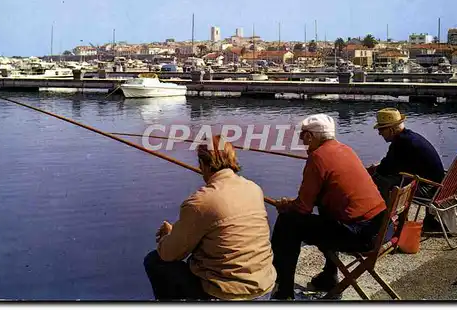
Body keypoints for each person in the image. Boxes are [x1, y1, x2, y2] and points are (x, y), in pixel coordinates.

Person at [144, 135, 276, 301]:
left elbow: (169, 254)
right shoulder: (254, 189)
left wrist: (167, 236)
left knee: (154, 261)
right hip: (263, 288)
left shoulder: (200, 202)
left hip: (228, 295)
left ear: (202, 165)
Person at [270, 114, 387, 300]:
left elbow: (303, 208)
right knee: (323, 210)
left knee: (287, 223)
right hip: (382, 227)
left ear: (310, 136)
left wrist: (286, 205)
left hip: (361, 235)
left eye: (302, 136)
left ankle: (283, 292)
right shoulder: (345, 149)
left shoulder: (317, 157)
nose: (302, 141)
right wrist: (295, 204)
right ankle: (329, 275)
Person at [367, 108, 445, 231]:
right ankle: (426, 221)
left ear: (391, 129)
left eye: (381, 129)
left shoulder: (401, 143)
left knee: (379, 181)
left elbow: (384, 170)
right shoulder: (410, 137)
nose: (379, 133)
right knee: (390, 179)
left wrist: (372, 172)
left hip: (430, 189)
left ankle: (380, 223)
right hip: (439, 186)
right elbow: (393, 164)